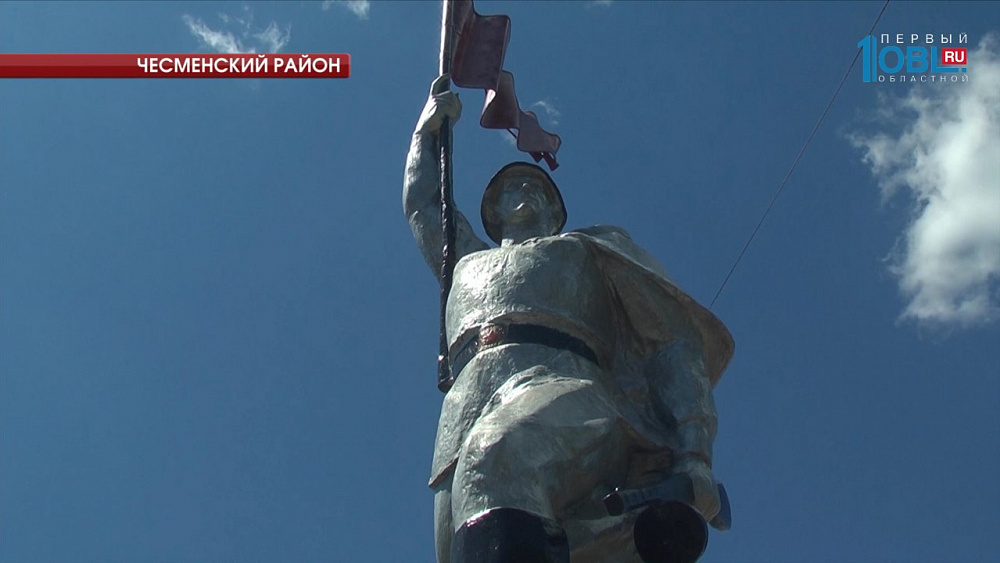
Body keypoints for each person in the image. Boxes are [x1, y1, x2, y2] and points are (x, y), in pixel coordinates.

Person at [403, 75, 734, 563]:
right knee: (464, 544)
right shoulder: (466, 263)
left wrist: (694, 449)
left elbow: (670, 340)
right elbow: (425, 207)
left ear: (556, 211)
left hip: (566, 379)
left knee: (496, 459)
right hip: (464, 404)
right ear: (491, 210)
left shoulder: (589, 249)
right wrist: (426, 135)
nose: (523, 191)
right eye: (511, 186)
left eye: (535, 186)